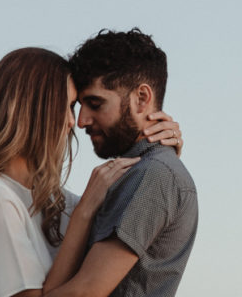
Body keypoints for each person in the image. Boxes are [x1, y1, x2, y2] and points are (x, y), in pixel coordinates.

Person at [0, 47, 183, 297]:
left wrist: (160, 153)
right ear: (29, 109)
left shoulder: (61, 204)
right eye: (65, 106)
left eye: (73, 107)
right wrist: (83, 213)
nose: (72, 122)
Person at [40, 29, 197, 297]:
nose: (81, 121)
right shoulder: (142, 171)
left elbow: (86, 292)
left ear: (142, 99)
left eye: (95, 103)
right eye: (79, 106)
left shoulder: (152, 174)